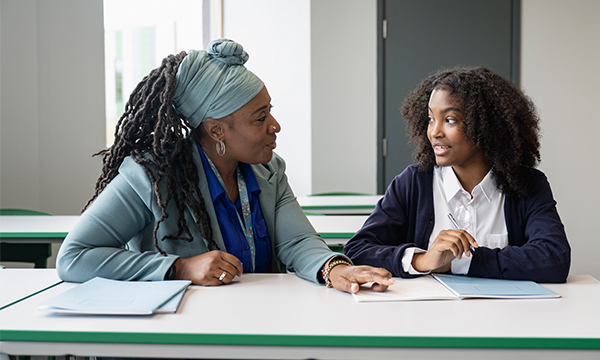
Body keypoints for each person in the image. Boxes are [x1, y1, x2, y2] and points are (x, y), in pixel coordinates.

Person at [56, 39, 393, 294]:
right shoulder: (151, 176)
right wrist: (180, 267)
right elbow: (74, 257)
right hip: (178, 338)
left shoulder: (269, 171)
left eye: (269, 111)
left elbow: (297, 242)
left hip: (254, 326)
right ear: (216, 129)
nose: (275, 125)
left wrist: (333, 268)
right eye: (260, 118)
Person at [344, 66, 570, 283]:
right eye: (431, 118)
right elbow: (358, 250)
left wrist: (458, 263)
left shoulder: (528, 184)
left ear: (485, 126)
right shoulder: (413, 182)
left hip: (504, 317)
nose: (434, 132)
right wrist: (424, 260)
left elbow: (554, 258)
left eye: (449, 120)